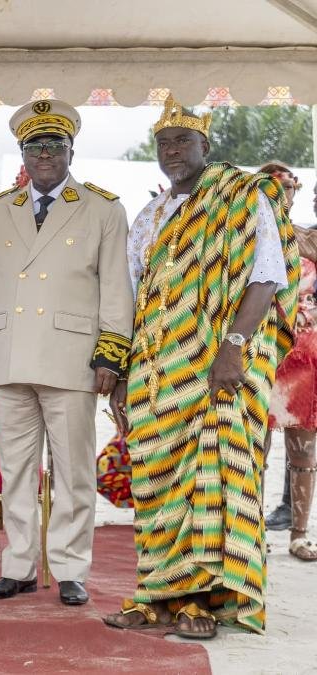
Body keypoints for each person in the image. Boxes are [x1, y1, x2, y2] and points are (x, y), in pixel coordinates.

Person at [103, 97, 299, 638]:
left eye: (183, 141)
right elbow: (133, 296)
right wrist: (122, 373)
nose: (172, 151)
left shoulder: (241, 197)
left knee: (211, 477)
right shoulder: (150, 216)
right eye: (164, 143)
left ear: (205, 146)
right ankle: (158, 596)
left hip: (220, 368)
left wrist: (233, 346)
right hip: (157, 371)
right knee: (157, 480)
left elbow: (267, 277)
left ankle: (206, 601)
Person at [0, 99, 133, 606]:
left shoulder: (103, 208)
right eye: (35, 145)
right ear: (22, 152)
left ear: (71, 150)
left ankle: (71, 568)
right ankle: (17, 566)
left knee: (73, 469)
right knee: (15, 469)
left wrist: (110, 354)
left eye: (55, 144)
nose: (45, 154)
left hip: (72, 358)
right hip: (8, 355)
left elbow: (116, 290)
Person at [260, 163, 317, 562]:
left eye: (290, 189)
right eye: (276, 189)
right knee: (252, 450)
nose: (285, 196)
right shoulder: (249, 235)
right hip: (260, 354)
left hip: (306, 359)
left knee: (303, 451)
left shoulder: (308, 240)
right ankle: (250, 535)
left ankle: (299, 535)